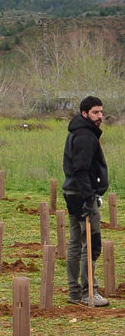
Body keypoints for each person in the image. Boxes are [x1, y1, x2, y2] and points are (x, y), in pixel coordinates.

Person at [62, 96, 110, 307]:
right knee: (91, 244)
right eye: (95, 113)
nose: (100, 116)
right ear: (84, 114)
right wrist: (89, 200)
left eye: (101, 112)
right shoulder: (84, 136)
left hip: (72, 192)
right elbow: (81, 170)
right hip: (82, 195)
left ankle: (74, 292)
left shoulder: (79, 131)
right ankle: (88, 292)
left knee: (75, 242)